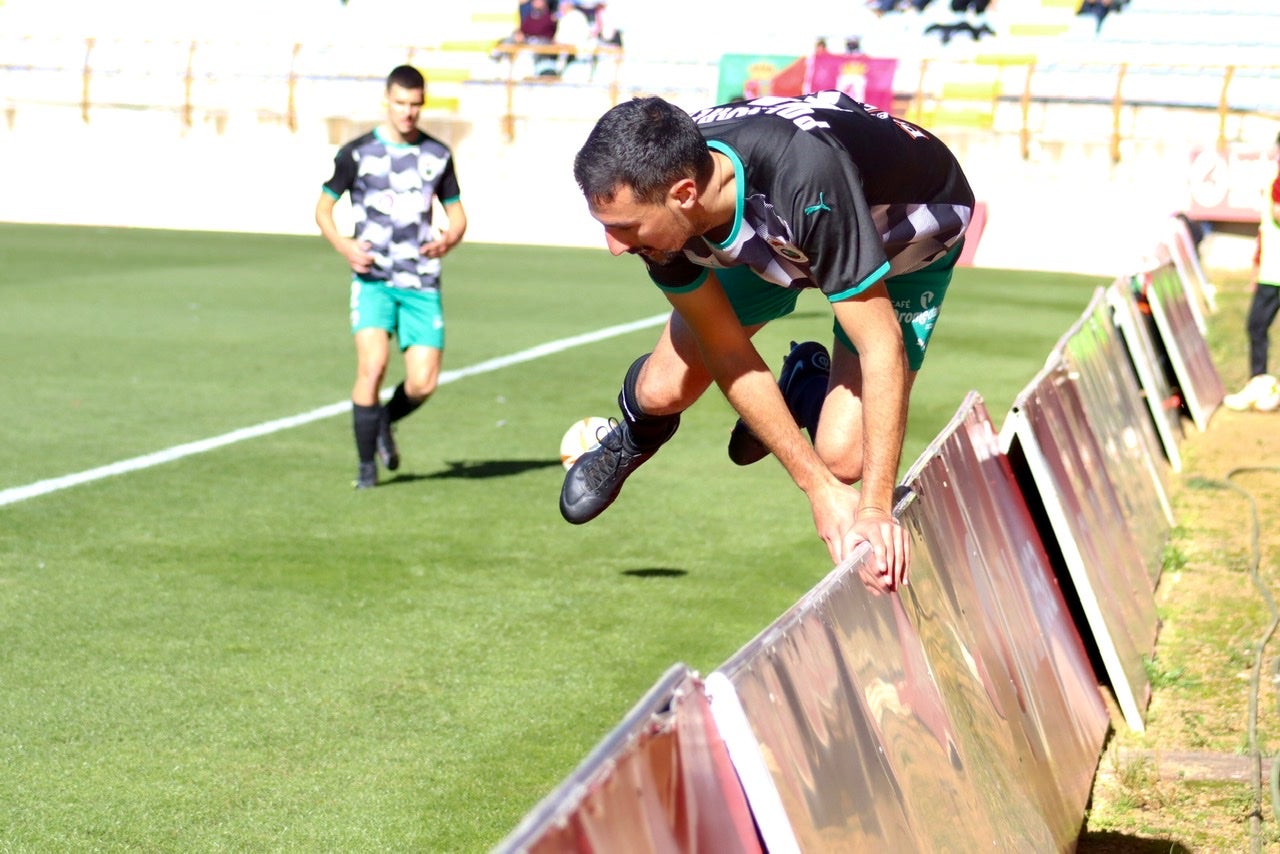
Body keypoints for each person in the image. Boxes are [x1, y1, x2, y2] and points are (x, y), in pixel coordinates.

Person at [560, 91, 974, 592]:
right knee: (661, 392)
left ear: (685, 194)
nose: (615, 247)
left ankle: (804, 387)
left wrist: (874, 508)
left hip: (906, 237)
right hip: (783, 226)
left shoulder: (804, 174)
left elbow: (880, 343)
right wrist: (814, 487)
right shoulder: (661, 193)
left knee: (844, 459)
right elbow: (728, 351)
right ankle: (637, 435)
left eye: (624, 228)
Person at [315, 65, 468, 488]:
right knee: (373, 368)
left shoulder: (437, 155)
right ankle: (367, 469)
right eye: (401, 104)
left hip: (420, 280)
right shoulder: (357, 153)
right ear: (387, 101)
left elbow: (457, 216)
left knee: (423, 382)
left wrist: (448, 240)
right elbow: (323, 209)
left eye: (416, 105)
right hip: (374, 279)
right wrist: (346, 246)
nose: (408, 113)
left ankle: (382, 421)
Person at [1223, 132, 1280, 413]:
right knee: (1257, 327)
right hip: (1271, 271)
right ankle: (1261, 384)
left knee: (1256, 326)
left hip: (1276, 275)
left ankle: (1260, 382)